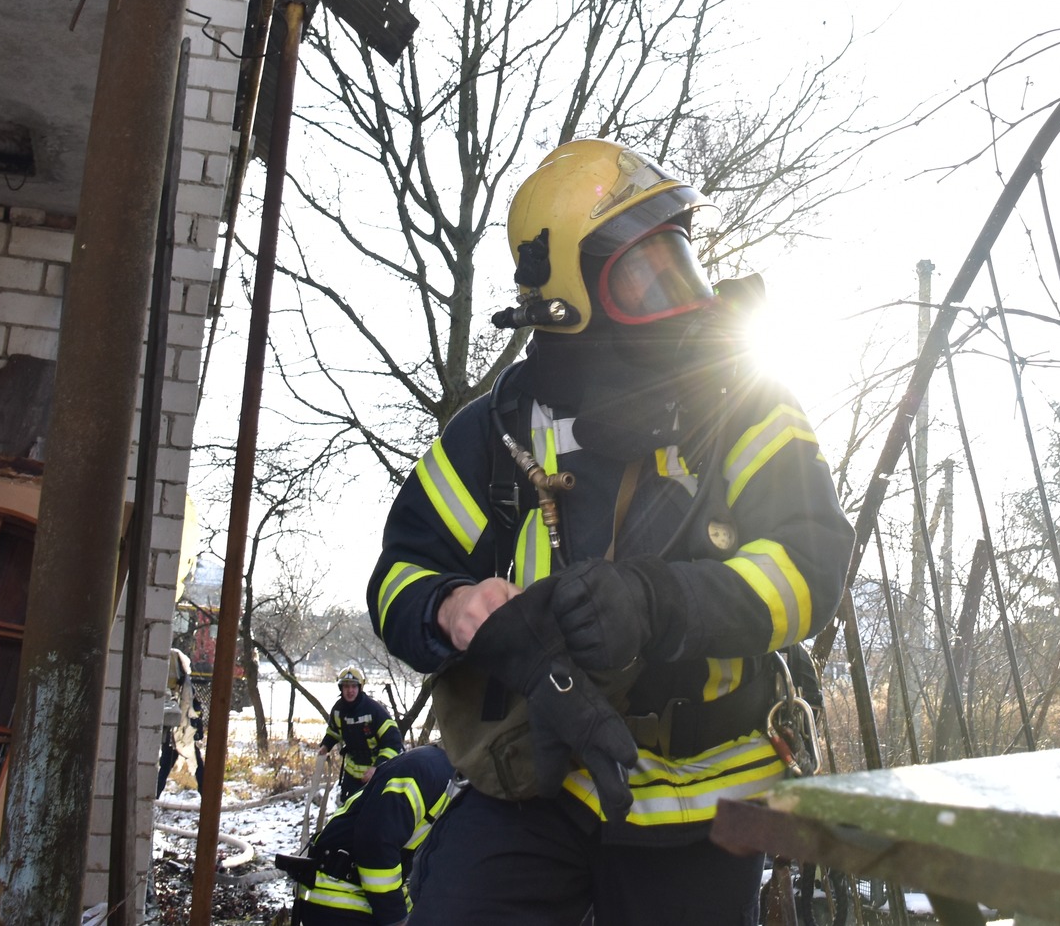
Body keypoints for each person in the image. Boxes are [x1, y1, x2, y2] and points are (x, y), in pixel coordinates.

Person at [366, 139, 852, 925]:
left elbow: (812, 563)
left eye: (680, 260)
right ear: (568, 301)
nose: (682, 295)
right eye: (645, 273)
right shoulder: (497, 431)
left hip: (702, 803)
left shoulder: (749, 404)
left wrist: (659, 604)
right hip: (533, 776)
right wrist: (456, 608)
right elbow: (398, 574)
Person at [285, 742, 456, 924]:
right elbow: (376, 844)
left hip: (360, 897)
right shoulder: (429, 771)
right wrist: (396, 917)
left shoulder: (445, 772)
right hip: (343, 898)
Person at [323, 665, 403, 802]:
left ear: (360, 687)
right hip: (352, 773)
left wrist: (376, 768)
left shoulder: (374, 710)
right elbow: (333, 732)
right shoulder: (338, 710)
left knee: (372, 814)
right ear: (341, 688)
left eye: (354, 686)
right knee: (347, 809)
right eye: (346, 686)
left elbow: (393, 743)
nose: (350, 691)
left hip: (377, 774)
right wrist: (325, 746)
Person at [156, 647, 204, 796]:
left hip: (180, 731)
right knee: (194, 764)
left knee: (167, 765)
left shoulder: (179, 686)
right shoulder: (185, 685)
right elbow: (195, 707)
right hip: (180, 731)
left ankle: (155, 793)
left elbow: (193, 708)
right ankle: (206, 794)